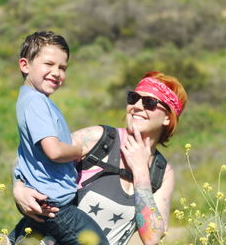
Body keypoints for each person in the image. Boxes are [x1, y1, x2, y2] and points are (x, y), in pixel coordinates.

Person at [11, 71, 188, 245]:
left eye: (150, 102)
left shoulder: (162, 172)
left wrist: (141, 173)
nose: (138, 106)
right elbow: (34, 155)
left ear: (167, 117)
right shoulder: (99, 140)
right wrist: (18, 187)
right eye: (133, 98)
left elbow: (152, 238)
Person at [0, 31, 108, 245]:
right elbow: (54, 151)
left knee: (39, 232)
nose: (56, 72)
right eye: (48, 64)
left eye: (62, 68)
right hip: (57, 206)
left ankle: (12, 240)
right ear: (25, 65)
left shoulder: (30, 100)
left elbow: (26, 152)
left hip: (45, 198)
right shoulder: (37, 103)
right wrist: (79, 150)